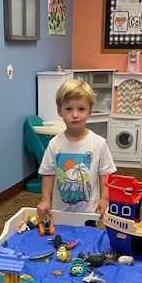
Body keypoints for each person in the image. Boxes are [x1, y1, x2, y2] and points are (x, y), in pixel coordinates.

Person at [36, 78, 116, 220]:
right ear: (59, 111)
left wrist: (105, 199)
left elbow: (106, 173)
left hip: (89, 211)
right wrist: (45, 200)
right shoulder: (54, 144)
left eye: (81, 109)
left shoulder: (99, 143)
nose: (75, 115)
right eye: (69, 109)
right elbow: (48, 173)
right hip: (60, 211)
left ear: (90, 111)